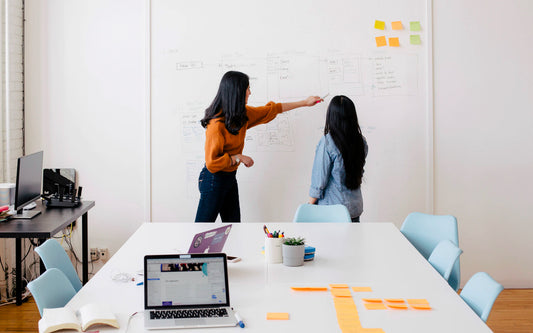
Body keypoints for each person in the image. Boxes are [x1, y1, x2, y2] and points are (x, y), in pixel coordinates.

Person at [195, 71, 321, 222]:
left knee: (234, 227)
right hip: (213, 179)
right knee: (203, 229)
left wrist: (305, 102)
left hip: (229, 177)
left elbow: (272, 109)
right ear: (236, 92)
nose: (250, 93)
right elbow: (211, 163)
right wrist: (237, 157)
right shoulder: (216, 125)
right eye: (247, 89)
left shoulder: (241, 115)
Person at [308, 95, 367, 222]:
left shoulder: (327, 142)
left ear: (331, 116)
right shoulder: (361, 141)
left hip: (331, 211)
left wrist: (309, 206)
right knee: (351, 242)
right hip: (354, 209)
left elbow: (319, 182)